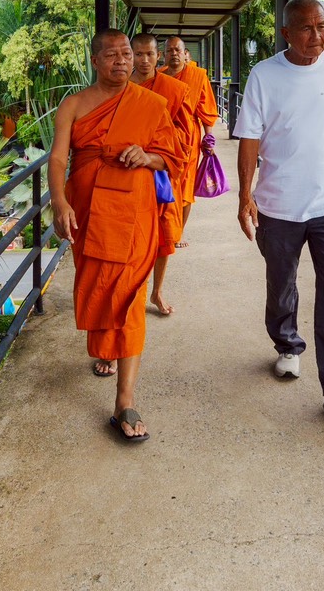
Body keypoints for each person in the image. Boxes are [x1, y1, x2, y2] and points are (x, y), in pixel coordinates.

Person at [233, 0, 324, 416]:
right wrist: (245, 195)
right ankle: (287, 343)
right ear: (286, 33)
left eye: (323, 27)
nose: (317, 36)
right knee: (282, 282)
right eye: (307, 29)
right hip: (278, 203)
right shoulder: (264, 74)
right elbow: (250, 139)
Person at [50, 29, 185, 442]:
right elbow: (58, 158)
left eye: (128, 54)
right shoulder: (73, 104)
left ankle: (124, 399)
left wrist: (147, 156)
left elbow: (173, 158)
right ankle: (108, 353)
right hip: (89, 213)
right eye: (113, 55)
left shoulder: (151, 104)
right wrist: (59, 204)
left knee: (129, 298)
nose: (123, 61)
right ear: (95, 61)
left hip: (134, 212)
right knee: (101, 290)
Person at [129, 33, 200, 316]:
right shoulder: (119, 87)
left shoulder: (171, 88)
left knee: (162, 236)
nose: (144, 60)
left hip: (159, 171)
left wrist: (158, 142)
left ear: (157, 57)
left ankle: (156, 290)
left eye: (149, 54)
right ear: (129, 55)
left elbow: (185, 134)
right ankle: (132, 295)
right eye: (138, 54)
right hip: (126, 170)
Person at [163, 36, 219, 244]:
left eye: (177, 50)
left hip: (189, 141)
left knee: (186, 189)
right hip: (163, 140)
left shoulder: (197, 76)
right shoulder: (157, 77)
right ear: (164, 55)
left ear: (185, 53)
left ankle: (178, 232)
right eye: (170, 51)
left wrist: (209, 137)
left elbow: (206, 110)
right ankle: (167, 228)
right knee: (165, 185)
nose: (174, 54)